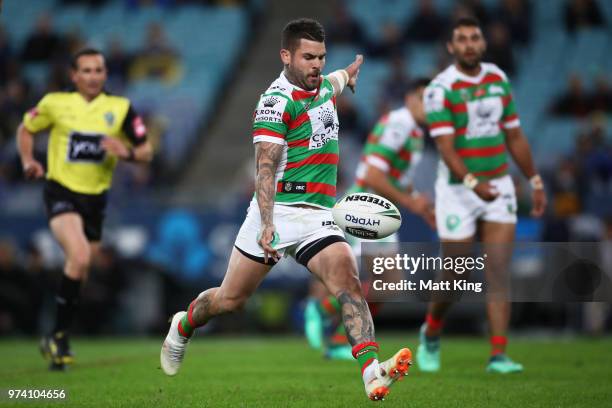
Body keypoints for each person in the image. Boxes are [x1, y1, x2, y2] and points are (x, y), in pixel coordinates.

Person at [160, 18, 411, 401]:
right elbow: (264, 168)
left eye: (322, 57)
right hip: (278, 212)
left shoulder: (323, 85)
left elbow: (336, 80)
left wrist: (349, 73)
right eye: (308, 57)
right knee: (230, 300)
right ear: (286, 56)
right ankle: (184, 325)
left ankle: (371, 373)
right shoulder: (275, 103)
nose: (317, 65)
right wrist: (266, 224)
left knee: (348, 282)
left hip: (320, 216)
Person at [417, 17, 547, 374]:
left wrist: (533, 179)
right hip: (459, 191)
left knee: (498, 270)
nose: (470, 44)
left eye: (475, 38)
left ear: (483, 44)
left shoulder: (497, 78)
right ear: (451, 47)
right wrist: (474, 183)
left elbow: (515, 136)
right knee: (456, 273)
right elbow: (445, 148)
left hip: (499, 184)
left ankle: (498, 355)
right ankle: (432, 329)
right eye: (462, 39)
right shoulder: (440, 89)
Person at [16, 48, 153, 370]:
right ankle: (59, 336)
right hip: (61, 191)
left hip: (96, 199)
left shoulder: (120, 109)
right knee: (78, 257)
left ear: (106, 74)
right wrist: (27, 160)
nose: (93, 76)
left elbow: (146, 150)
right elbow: (25, 129)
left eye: (99, 70)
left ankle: (55, 333)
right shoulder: (55, 103)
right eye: (86, 71)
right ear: (74, 75)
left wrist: (127, 152)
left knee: (82, 267)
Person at [304, 78, 436, 359]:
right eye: (426, 98)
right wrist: (411, 202)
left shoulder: (414, 132)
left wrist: (421, 204)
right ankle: (324, 311)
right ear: (411, 97)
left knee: (390, 282)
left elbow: (395, 178)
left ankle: (339, 336)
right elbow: (374, 176)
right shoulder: (398, 123)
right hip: (364, 204)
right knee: (356, 276)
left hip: (381, 207)